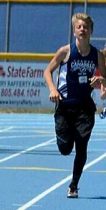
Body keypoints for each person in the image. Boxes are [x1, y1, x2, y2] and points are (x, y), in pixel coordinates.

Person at [44, 12, 106, 198]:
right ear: (74, 31)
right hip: (64, 106)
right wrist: (53, 90)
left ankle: (74, 185)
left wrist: (102, 80)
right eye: (79, 27)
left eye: (85, 27)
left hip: (85, 107)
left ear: (91, 31)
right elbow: (48, 71)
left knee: (82, 145)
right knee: (65, 149)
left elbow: (105, 79)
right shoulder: (65, 52)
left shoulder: (97, 55)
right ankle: (65, 134)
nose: (82, 30)